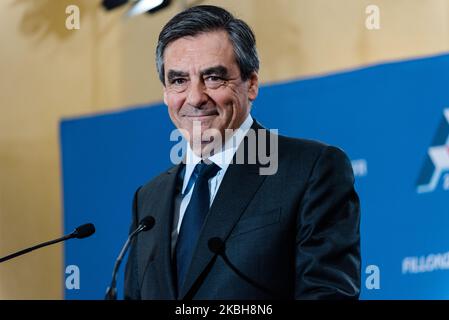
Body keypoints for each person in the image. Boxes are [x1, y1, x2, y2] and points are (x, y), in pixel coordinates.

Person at [124, 5, 360, 300]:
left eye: (213, 77)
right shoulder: (148, 198)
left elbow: (327, 295)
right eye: (179, 80)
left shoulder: (309, 169)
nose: (195, 97)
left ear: (251, 84)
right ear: (165, 93)